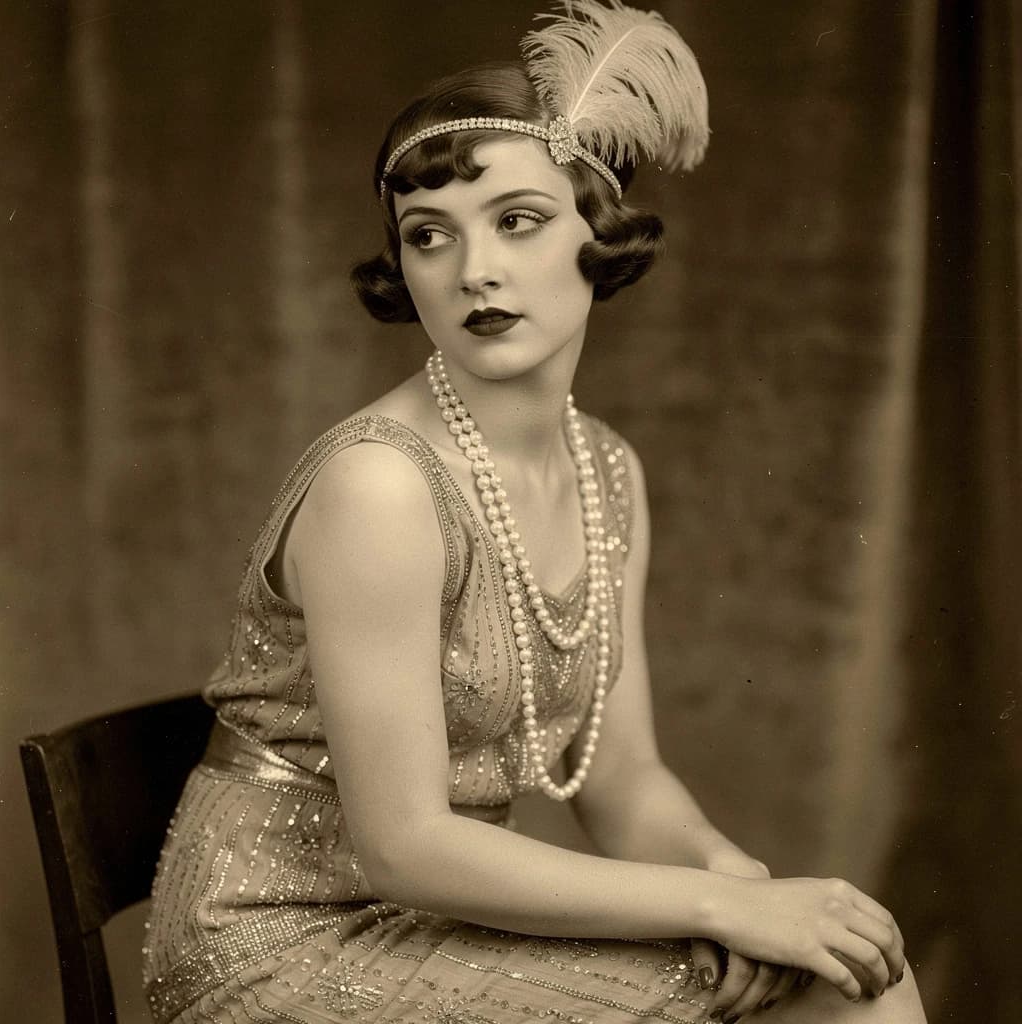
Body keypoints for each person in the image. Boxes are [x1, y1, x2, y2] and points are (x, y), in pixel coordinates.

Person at [143, 3, 928, 1022]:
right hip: (278, 939)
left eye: (517, 220)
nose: (474, 270)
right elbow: (406, 845)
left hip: (438, 918)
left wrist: (738, 881)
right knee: (842, 1003)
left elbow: (619, 774)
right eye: (430, 236)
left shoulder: (607, 471)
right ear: (405, 269)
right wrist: (712, 909)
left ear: (595, 235)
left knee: (849, 975)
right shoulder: (378, 486)